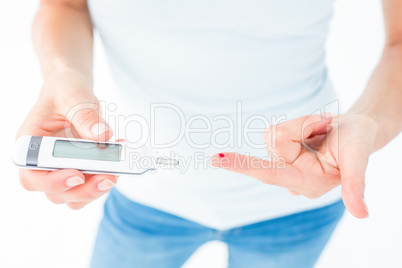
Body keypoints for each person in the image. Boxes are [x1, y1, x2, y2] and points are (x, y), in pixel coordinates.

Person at [17, 0, 402, 267]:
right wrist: (61, 73)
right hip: (147, 198)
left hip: (300, 202)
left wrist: (367, 120)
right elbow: (63, 5)